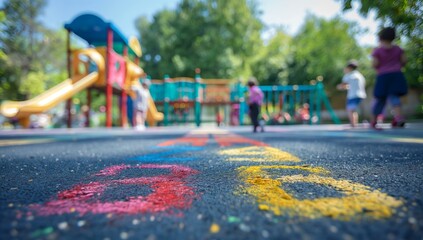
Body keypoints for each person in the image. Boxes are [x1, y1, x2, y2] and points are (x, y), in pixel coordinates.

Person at [371, 27, 408, 129]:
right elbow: (404, 61)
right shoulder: (398, 49)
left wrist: (380, 66)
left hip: (383, 76)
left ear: (381, 37)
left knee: (380, 98)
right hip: (396, 74)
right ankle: (399, 117)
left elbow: (375, 64)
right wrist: (397, 66)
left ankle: (374, 120)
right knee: (394, 96)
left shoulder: (378, 50)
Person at [337, 60, 367, 127]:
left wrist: (339, 87)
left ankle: (353, 124)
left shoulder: (348, 75)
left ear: (349, 68)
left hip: (352, 95)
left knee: (350, 110)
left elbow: (343, 85)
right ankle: (355, 123)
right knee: (354, 110)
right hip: (362, 95)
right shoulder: (360, 75)